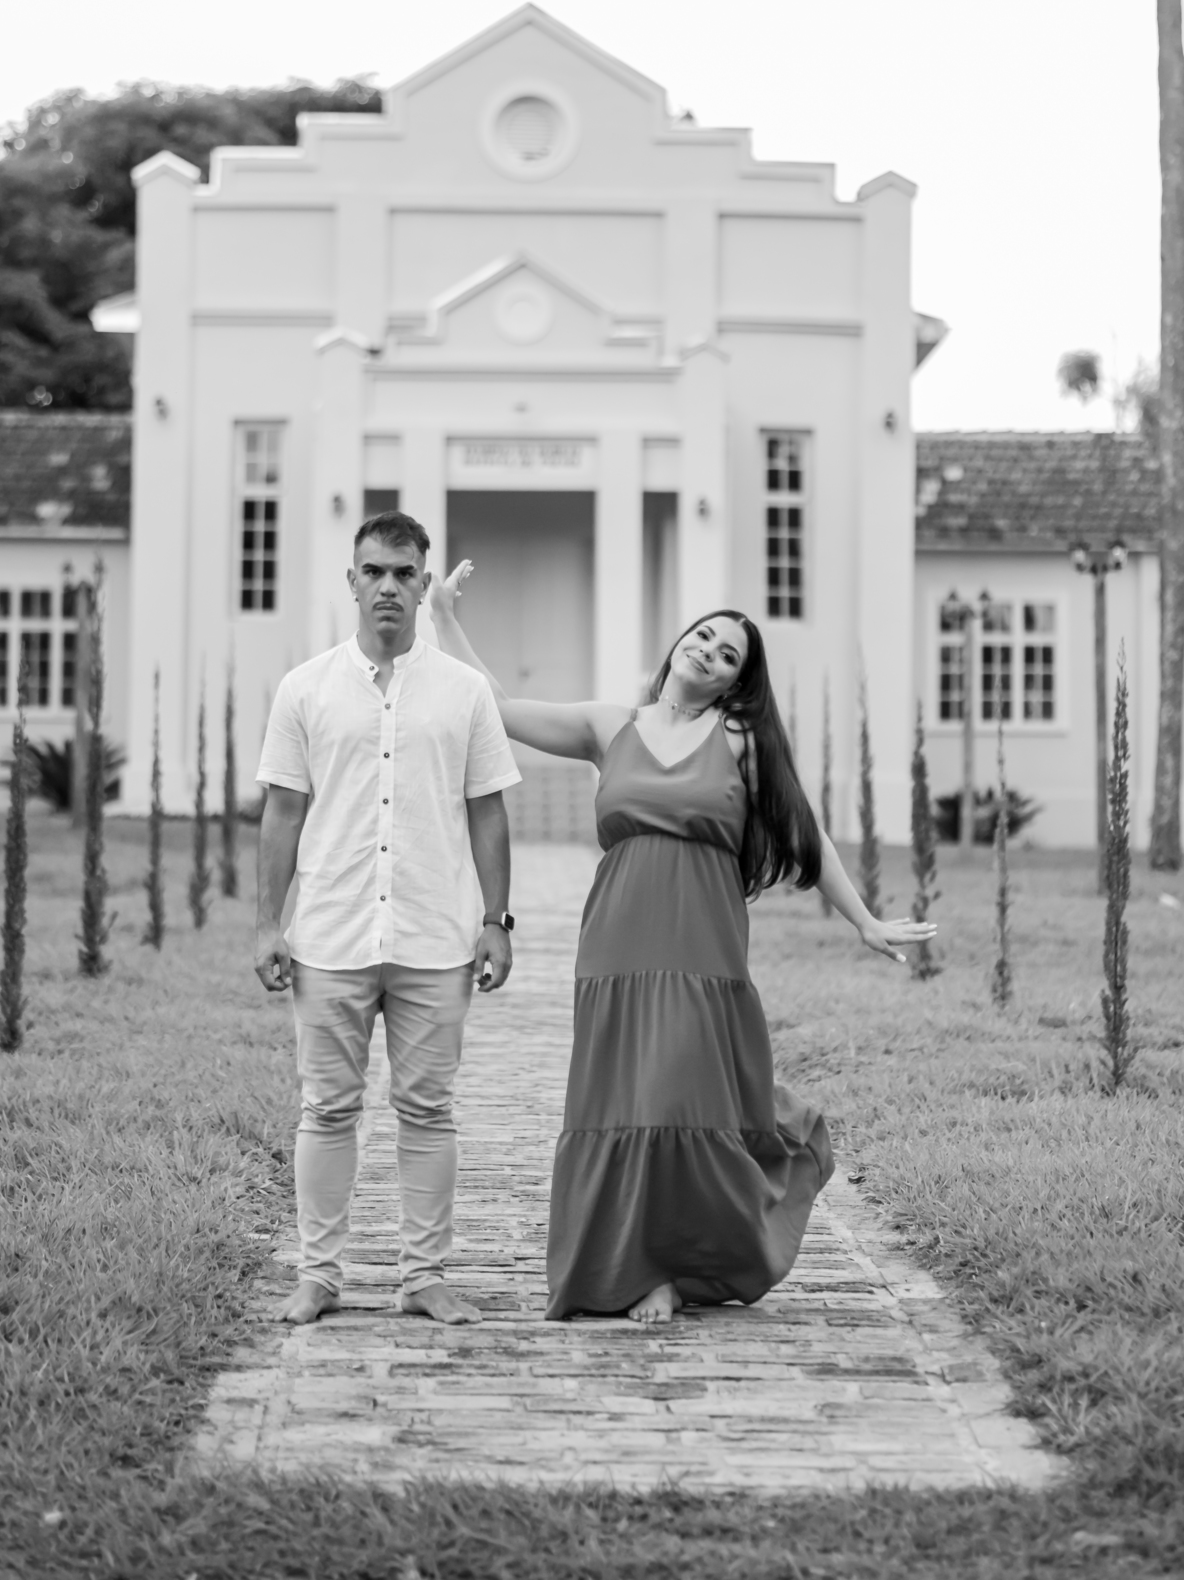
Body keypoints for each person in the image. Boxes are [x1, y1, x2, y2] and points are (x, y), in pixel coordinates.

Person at [429, 566, 936, 1324]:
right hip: (617, 942)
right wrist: (444, 617)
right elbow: (497, 709)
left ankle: (674, 1262)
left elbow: (806, 832)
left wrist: (864, 919)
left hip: (701, 945)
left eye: (728, 655)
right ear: (678, 644)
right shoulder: (611, 726)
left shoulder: (741, 741)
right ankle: (639, 1270)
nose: (709, 652)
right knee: (625, 1100)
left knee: (679, 1096)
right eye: (703, 637)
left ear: (735, 683)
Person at [254, 513, 522, 1327]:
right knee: (327, 1110)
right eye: (373, 571)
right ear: (352, 581)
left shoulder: (465, 692)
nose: (388, 587)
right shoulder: (304, 688)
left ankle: (423, 1278)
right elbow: (282, 813)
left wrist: (497, 920)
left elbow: (488, 811)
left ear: (424, 581)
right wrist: (267, 923)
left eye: (405, 573)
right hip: (330, 934)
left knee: (428, 1111)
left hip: (433, 937)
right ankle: (318, 1276)